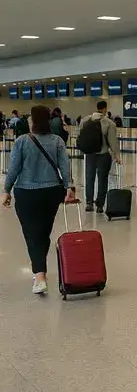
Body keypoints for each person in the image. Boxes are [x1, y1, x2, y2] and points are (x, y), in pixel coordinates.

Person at [2, 106, 78, 295]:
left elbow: (14, 168)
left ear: (34, 121)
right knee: (43, 233)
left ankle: (40, 276)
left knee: (32, 234)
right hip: (52, 192)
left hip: (26, 193)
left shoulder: (22, 141)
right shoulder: (57, 140)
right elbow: (65, 166)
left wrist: (6, 190)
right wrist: (69, 187)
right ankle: (39, 271)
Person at [82, 100, 121, 214]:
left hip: (90, 154)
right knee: (102, 179)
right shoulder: (109, 123)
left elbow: (81, 136)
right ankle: (100, 205)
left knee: (89, 178)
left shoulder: (85, 120)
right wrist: (117, 155)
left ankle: (89, 203)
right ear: (105, 109)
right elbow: (112, 141)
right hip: (103, 154)